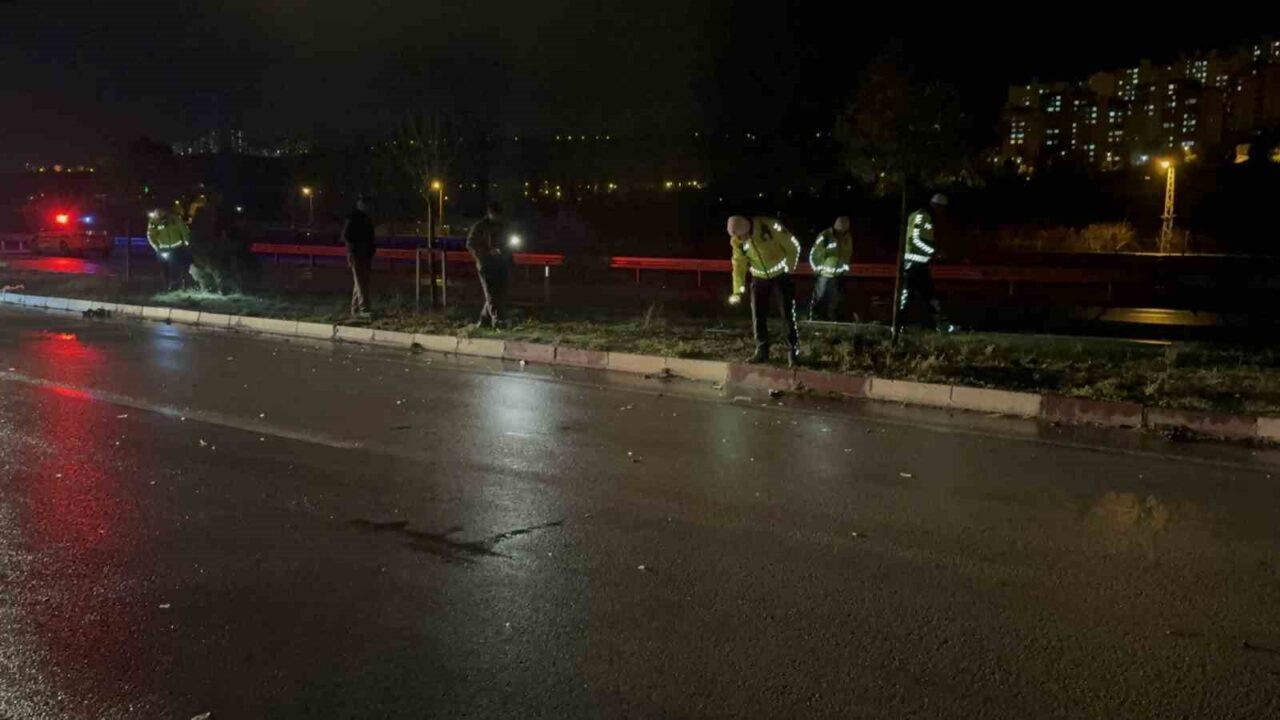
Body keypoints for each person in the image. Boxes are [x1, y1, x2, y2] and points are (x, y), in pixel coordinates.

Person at [727, 215, 802, 366]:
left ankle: (792, 350)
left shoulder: (769, 227)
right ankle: (762, 350)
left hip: (781, 275)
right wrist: (737, 290)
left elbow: (792, 245)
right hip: (758, 277)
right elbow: (738, 264)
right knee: (758, 314)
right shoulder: (737, 240)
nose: (739, 239)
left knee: (787, 313)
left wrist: (790, 266)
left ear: (747, 229)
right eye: (736, 237)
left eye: (741, 236)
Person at [899, 193, 953, 331]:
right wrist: (934, 252)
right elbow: (916, 239)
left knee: (927, 295)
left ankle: (941, 325)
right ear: (936, 206)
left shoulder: (926, 217)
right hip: (913, 264)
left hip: (920, 264)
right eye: (942, 208)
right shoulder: (921, 216)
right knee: (910, 297)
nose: (942, 212)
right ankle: (898, 325)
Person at [466, 201, 512, 328]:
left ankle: (484, 320)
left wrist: (505, 253)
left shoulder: (503, 226)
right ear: (490, 213)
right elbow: (470, 244)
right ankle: (497, 320)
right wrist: (486, 252)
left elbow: (508, 244)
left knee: (500, 292)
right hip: (486, 264)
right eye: (495, 215)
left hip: (500, 263)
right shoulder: (480, 227)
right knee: (491, 293)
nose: (498, 217)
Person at [807, 215, 853, 320]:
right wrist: (816, 268)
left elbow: (848, 253)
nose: (842, 233)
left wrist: (845, 267)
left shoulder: (847, 237)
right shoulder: (825, 237)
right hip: (824, 273)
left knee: (835, 298)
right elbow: (814, 254)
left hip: (838, 273)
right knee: (820, 296)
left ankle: (833, 318)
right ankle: (815, 317)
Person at [341, 195, 376, 319]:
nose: (367, 206)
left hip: (364, 254)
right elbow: (346, 236)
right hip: (357, 253)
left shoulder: (366, 218)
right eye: (364, 203)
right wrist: (352, 250)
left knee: (360, 282)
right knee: (361, 281)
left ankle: (356, 309)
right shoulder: (354, 217)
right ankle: (363, 309)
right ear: (359, 204)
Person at [145, 205, 192, 291]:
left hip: (176, 247)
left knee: (175, 267)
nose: (159, 216)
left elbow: (183, 228)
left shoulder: (174, 219)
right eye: (157, 214)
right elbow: (151, 236)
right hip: (163, 249)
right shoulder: (153, 222)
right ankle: (166, 285)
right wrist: (156, 247)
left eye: (161, 213)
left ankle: (176, 285)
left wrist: (186, 241)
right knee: (164, 269)